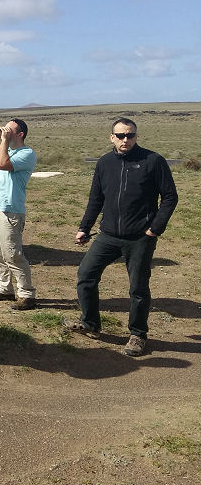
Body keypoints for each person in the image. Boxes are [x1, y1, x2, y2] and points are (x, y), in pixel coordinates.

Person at [70, 117, 178, 356]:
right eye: (120, 135)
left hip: (140, 237)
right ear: (112, 137)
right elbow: (96, 199)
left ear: (136, 136)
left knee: (138, 288)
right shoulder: (105, 163)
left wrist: (154, 229)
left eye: (130, 135)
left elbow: (170, 197)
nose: (125, 140)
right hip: (107, 234)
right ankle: (90, 323)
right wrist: (84, 228)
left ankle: (138, 334)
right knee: (85, 276)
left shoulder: (153, 161)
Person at [0, 118, 37, 310]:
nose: (4, 131)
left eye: (9, 130)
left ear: (20, 135)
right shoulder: (4, 150)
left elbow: (2, 164)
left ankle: (26, 294)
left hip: (10, 211)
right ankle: (4, 288)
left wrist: (3, 141)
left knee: (12, 254)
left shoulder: (26, 154)